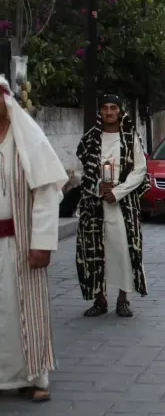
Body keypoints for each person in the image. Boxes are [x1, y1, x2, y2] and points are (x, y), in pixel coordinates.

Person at [0, 76, 67, 403]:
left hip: (20, 241)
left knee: (26, 310)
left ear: (6, 100)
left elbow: (46, 193)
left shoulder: (27, 141)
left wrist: (42, 241)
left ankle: (35, 377)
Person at [77, 94, 149, 318]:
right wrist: (99, 188)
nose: (109, 112)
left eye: (113, 108)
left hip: (123, 204)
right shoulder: (91, 138)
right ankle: (99, 300)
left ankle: (122, 299)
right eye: (105, 108)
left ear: (120, 111)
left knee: (123, 251)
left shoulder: (129, 136)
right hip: (95, 205)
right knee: (96, 252)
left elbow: (140, 170)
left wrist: (117, 192)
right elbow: (85, 172)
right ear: (100, 112)